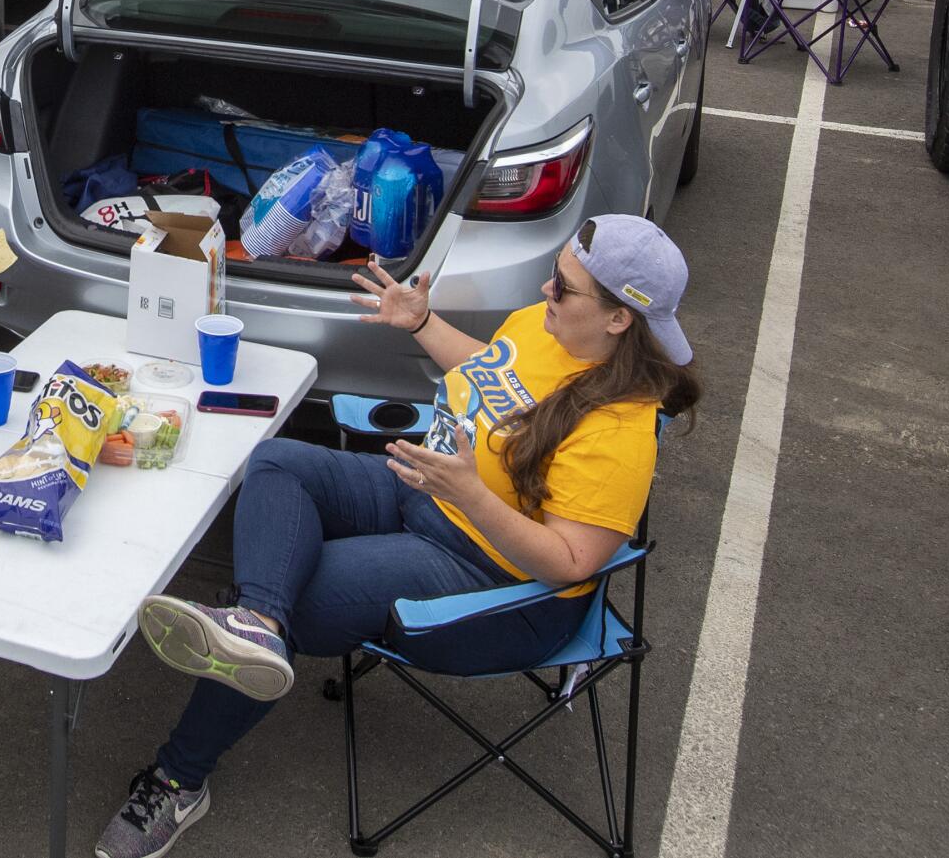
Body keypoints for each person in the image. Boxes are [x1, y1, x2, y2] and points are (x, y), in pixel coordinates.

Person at [93, 215, 700, 858]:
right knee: (276, 462)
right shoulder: (549, 329)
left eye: (565, 288)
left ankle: (179, 779)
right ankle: (257, 625)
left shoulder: (619, 433)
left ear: (618, 320)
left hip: (496, 577)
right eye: (555, 275)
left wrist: (470, 494)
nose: (547, 291)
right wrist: (420, 321)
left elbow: (571, 563)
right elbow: (493, 371)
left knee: (291, 584)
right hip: (428, 493)